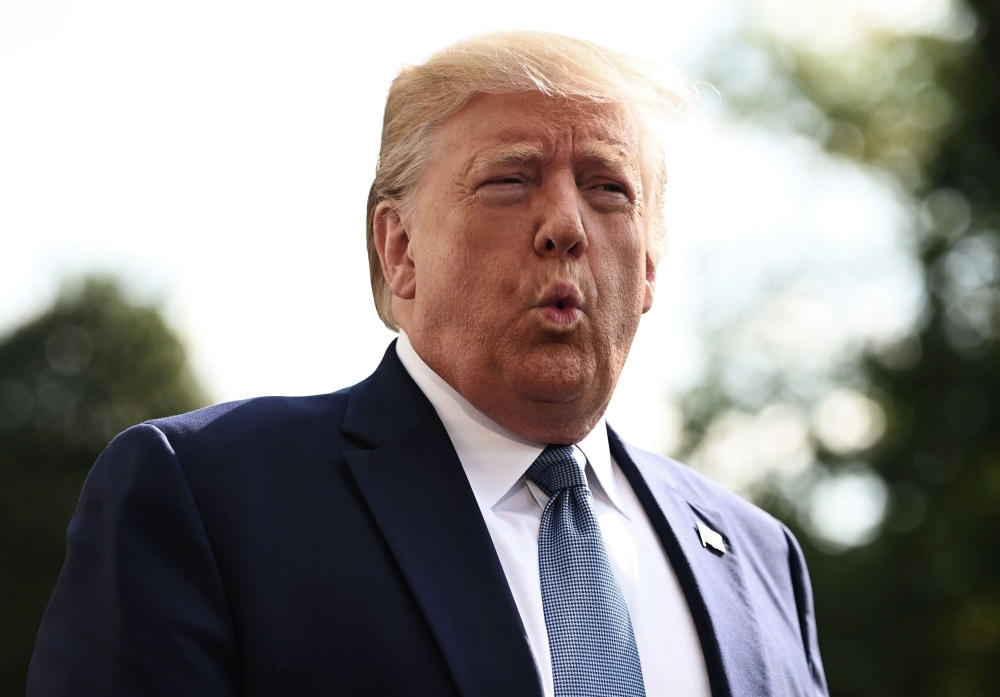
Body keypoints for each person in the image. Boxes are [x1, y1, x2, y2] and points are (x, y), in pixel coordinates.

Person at [28, 32, 827, 697]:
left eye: (608, 188)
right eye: (510, 181)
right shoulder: (205, 496)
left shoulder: (760, 559)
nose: (564, 225)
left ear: (650, 266)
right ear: (400, 248)